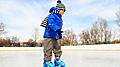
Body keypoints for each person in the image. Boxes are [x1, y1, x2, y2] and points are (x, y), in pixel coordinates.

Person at [43, 0, 66, 67]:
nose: (63, 12)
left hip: (56, 36)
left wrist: (59, 33)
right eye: (63, 10)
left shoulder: (60, 18)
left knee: (58, 48)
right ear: (59, 9)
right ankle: (47, 62)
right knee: (48, 49)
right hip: (49, 35)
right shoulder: (52, 15)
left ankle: (57, 60)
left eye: (64, 11)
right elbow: (51, 24)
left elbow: (59, 27)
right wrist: (57, 29)